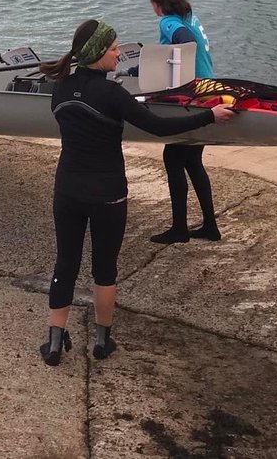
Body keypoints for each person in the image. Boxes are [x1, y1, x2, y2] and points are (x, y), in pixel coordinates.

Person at [37, 19, 234, 366]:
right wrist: (208, 117)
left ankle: (53, 343)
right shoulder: (113, 94)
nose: (118, 53)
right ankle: (102, 341)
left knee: (65, 263)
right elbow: (158, 127)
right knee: (105, 267)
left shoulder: (60, 87)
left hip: (67, 189)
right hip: (108, 193)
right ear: (98, 52)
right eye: (113, 48)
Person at [146, 0, 222, 244]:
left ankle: (179, 229)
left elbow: (185, 41)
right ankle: (210, 226)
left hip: (193, 96)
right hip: (209, 91)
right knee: (191, 160)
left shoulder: (169, 22)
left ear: (156, 3)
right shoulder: (190, 15)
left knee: (173, 157)